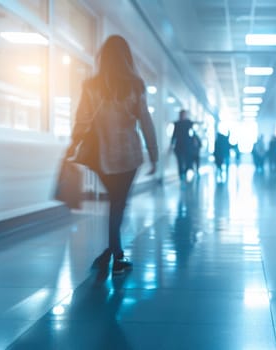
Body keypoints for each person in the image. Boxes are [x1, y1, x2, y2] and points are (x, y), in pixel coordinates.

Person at [67, 35, 158, 274]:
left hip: (101, 157)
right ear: (126, 57)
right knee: (118, 204)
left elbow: (82, 119)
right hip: (129, 156)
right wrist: (154, 154)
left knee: (115, 204)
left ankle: (112, 252)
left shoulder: (91, 86)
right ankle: (116, 256)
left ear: (103, 57)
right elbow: (146, 122)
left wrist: (74, 142)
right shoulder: (135, 85)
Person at [170, 109, 194, 181]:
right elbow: (174, 134)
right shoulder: (177, 124)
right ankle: (181, 175)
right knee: (180, 161)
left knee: (186, 161)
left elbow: (192, 132)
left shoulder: (188, 123)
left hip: (187, 145)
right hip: (179, 146)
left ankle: (185, 172)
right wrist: (171, 144)